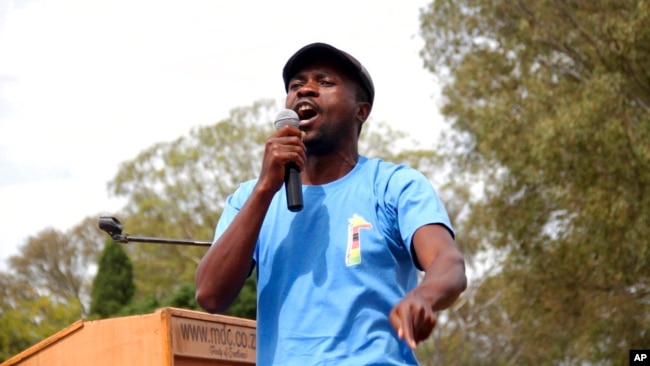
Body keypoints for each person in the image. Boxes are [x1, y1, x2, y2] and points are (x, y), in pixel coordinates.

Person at [195, 42, 467, 365]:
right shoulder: (250, 199)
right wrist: (266, 188)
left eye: (325, 82)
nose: (306, 90)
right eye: (296, 85)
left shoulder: (394, 186)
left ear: (360, 110)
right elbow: (210, 294)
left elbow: (449, 264)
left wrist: (424, 296)